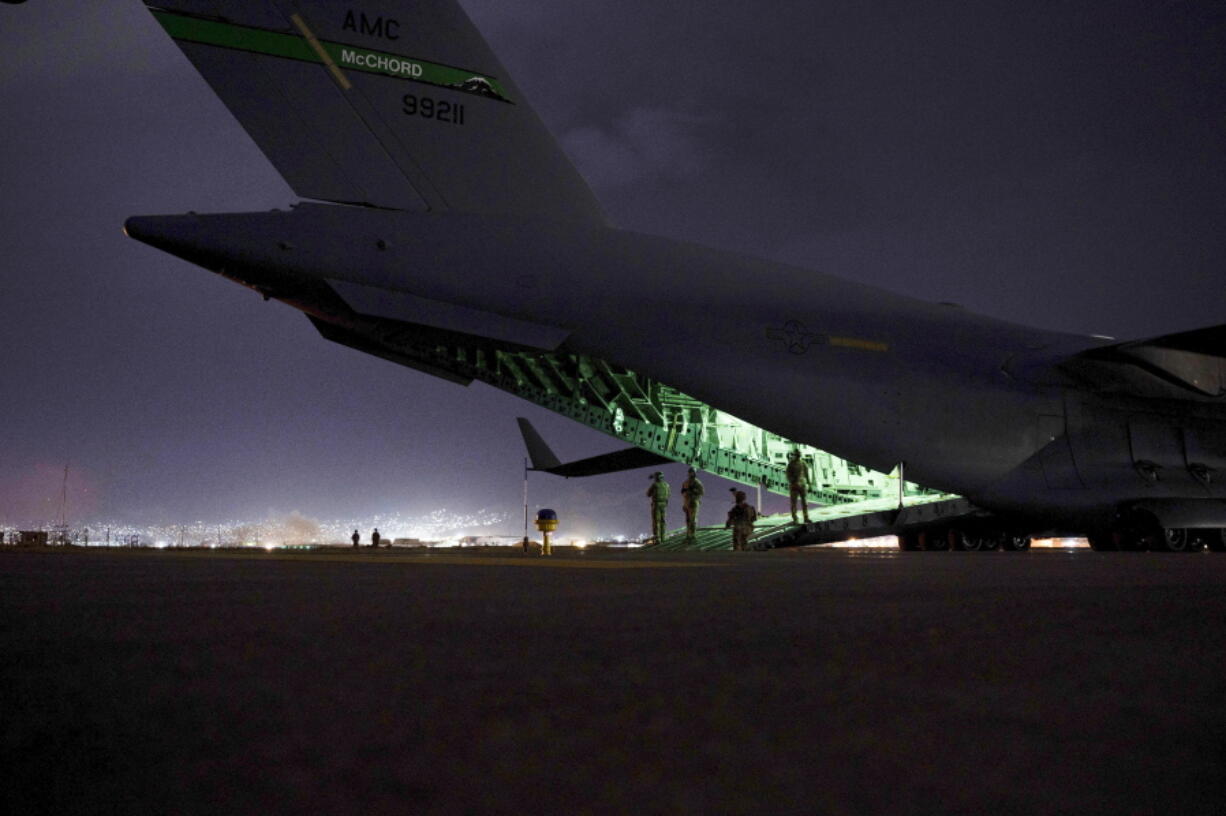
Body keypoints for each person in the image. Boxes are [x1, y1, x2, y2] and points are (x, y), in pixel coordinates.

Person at [786, 450, 812, 525]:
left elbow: (807, 475)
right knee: (794, 503)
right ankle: (795, 519)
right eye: (797, 455)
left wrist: (809, 485)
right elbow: (788, 475)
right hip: (794, 485)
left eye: (799, 455)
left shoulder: (803, 463)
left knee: (805, 503)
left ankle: (806, 518)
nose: (798, 456)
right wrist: (792, 480)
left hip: (802, 485)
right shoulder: (791, 464)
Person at [680, 467, 704, 542]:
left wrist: (693, 491)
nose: (691, 473)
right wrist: (684, 504)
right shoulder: (685, 483)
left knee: (692, 520)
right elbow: (683, 493)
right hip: (687, 502)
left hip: (693, 502)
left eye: (692, 472)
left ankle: (692, 536)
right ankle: (688, 535)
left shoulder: (697, 483)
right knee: (688, 520)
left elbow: (702, 492)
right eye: (690, 472)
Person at [646, 471, 670, 544]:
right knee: (663, 521)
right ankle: (663, 538)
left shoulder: (655, 485)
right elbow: (669, 494)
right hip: (664, 504)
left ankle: (657, 538)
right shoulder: (667, 485)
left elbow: (648, 494)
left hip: (656, 504)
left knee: (656, 521)